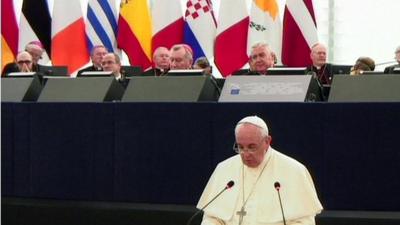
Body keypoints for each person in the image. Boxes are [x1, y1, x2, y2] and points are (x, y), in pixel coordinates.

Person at [197, 116, 323, 225]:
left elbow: (304, 221)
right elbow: (212, 217)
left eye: (252, 147)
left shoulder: (294, 170)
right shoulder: (224, 168)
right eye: (240, 147)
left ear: (267, 141)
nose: (245, 154)